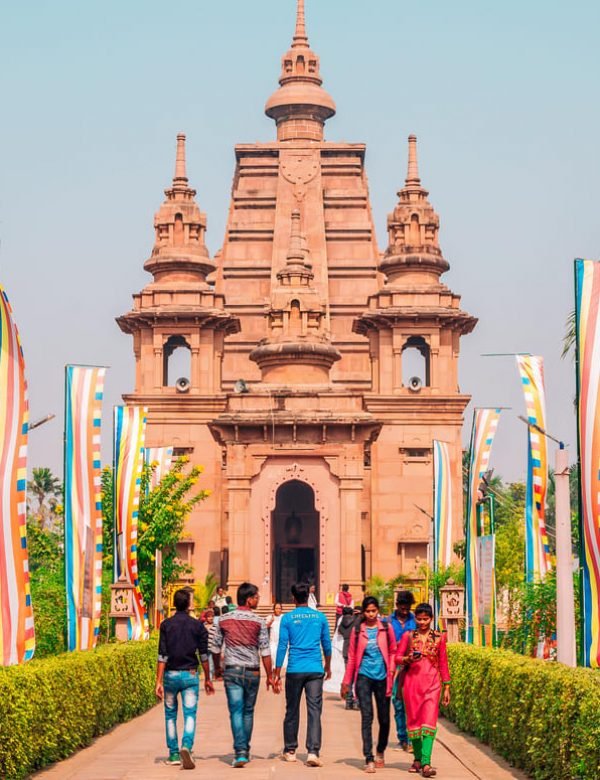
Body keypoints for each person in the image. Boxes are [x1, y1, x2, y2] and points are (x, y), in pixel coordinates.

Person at [214, 582, 275, 768]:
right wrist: (270, 676)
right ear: (249, 600)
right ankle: (244, 751)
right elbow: (265, 651)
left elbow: (215, 647)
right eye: (256, 597)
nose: (258, 600)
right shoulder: (259, 621)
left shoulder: (224, 619)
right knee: (248, 711)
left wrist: (217, 668)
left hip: (232, 670)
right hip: (252, 672)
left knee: (236, 711)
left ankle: (240, 752)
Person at [274, 582, 332, 767]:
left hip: (295, 669)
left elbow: (283, 645)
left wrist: (276, 672)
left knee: (292, 710)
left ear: (293, 598)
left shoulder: (287, 619)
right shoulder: (320, 617)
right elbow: (327, 645)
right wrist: (328, 666)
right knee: (314, 711)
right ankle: (313, 752)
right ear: (308, 596)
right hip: (315, 668)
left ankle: (290, 750)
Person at [156, 588, 215, 769]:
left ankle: (174, 754)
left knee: (170, 715)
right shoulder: (197, 626)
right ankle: (187, 746)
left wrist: (158, 681)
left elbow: (162, 656)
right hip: (190, 674)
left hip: (171, 675)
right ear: (189, 604)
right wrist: (207, 678)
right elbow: (204, 654)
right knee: (190, 714)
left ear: (174, 604)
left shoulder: (166, 625)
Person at [341, 596, 396, 773]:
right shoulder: (358, 630)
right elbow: (351, 658)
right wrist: (346, 682)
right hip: (364, 677)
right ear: (363, 612)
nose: (371, 614)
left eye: (374, 610)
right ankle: (369, 757)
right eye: (368, 611)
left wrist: (392, 671)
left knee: (384, 719)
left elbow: (393, 651)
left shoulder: (386, 628)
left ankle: (380, 749)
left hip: (382, 677)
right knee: (367, 717)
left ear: (378, 610)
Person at [395, 603, 451, 778]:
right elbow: (397, 658)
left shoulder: (440, 638)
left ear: (431, 619)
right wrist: (408, 658)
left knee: (429, 723)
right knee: (414, 723)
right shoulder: (408, 636)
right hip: (412, 684)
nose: (422, 622)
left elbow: (443, 662)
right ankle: (417, 758)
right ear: (415, 619)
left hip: (433, 685)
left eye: (425, 619)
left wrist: (447, 686)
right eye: (419, 619)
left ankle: (426, 762)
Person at [388, 590, 417, 750]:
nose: (405, 611)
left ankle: (412, 738)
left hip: (412, 666)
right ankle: (402, 738)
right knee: (398, 702)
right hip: (395, 666)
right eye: (402, 607)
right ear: (397, 605)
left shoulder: (415, 620)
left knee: (411, 704)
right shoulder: (389, 622)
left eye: (407, 608)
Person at [337, 605, 359, 709]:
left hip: (346, 648)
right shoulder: (356, 621)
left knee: (349, 675)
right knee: (357, 676)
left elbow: (340, 632)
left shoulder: (342, 622)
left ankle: (348, 701)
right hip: (355, 648)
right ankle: (356, 701)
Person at [204, 609, 222, 680]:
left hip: (213, 647)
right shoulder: (203, 626)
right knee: (206, 662)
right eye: (209, 617)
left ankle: (210, 677)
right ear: (206, 618)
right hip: (204, 648)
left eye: (212, 617)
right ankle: (208, 676)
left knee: (211, 663)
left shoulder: (216, 626)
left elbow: (218, 637)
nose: (210, 618)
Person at [266, 602, 286, 667]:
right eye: (277, 608)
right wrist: (271, 621)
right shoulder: (270, 617)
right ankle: (275, 675)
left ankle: (278, 675)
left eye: (279, 608)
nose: (278, 610)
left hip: (281, 642)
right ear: (274, 609)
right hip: (273, 643)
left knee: (282, 662)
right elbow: (265, 627)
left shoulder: (284, 617)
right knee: (273, 660)